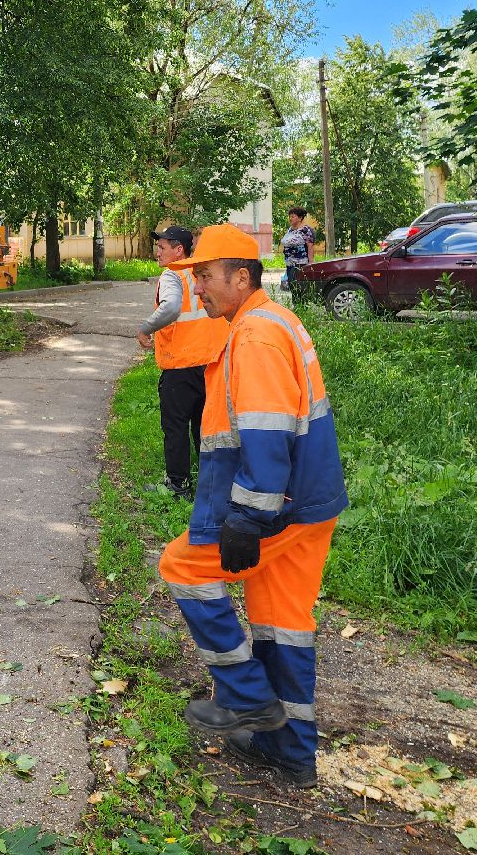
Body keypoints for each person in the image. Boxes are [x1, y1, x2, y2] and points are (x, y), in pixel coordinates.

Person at [157, 223, 347, 788]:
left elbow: (267, 434)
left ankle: (245, 697)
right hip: (308, 503)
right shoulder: (265, 322)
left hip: (280, 508)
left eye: (206, 278)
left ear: (242, 276)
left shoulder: (256, 336)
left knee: (183, 567)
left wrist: (246, 517)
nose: (200, 289)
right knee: (281, 622)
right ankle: (290, 752)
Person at [137, 225, 229, 500]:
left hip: (180, 365)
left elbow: (171, 307)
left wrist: (145, 329)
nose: (158, 252)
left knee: (175, 427)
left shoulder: (172, 274)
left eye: (163, 247)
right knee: (204, 425)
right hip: (210, 363)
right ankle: (211, 483)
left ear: (180, 250)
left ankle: (178, 485)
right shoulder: (202, 273)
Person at [279, 207, 317, 291]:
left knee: (298, 288)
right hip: (289, 264)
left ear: (300, 218)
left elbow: (310, 246)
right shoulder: (290, 230)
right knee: (292, 287)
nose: (290, 218)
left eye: (293, 216)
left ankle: (301, 303)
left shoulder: (305, 230)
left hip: (300, 264)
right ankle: (296, 303)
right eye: (290, 216)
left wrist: (311, 264)